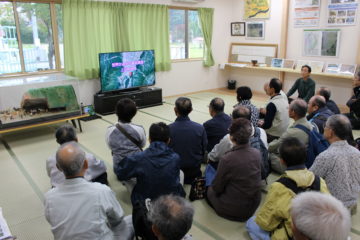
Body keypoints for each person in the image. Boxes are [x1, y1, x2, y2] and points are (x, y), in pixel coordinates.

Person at [44, 142, 133, 240]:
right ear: (86, 164)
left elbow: (52, 220)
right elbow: (117, 219)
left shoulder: (49, 197)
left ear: (58, 167)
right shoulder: (101, 191)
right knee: (131, 220)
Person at [246, 137, 329, 240]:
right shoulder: (320, 181)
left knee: (251, 222)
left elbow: (266, 223)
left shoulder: (279, 186)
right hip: (317, 234)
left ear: (282, 161)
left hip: (292, 235)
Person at [115, 122, 185, 206]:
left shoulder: (138, 158)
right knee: (180, 173)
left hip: (147, 202)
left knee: (128, 175)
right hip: (171, 201)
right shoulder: (175, 157)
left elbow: (120, 173)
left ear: (149, 139)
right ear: (169, 140)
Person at [206, 118, 262, 221]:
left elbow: (217, 188)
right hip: (252, 208)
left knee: (209, 187)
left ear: (231, 137)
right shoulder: (257, 153)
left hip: (231, 209)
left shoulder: (227, 158)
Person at [310, 114, 360, 214]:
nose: (324, 128)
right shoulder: (357, 153)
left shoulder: (326, 156)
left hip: (332, 208)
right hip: (352, 203)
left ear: (331, 131)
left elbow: (309, 180)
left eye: (325, 126)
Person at [105, 98, 146, 190]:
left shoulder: (110, 130)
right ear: (134, 113)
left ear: (116, 112)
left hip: (119, 169)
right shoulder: (139, 129)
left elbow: (110, 147)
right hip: (137, 167)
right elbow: (142, 145)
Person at [169, 97, 207, 184]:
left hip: (175, 170)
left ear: (175, 110)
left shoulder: (168, 129)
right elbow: (204, 148)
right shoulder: (200, 128)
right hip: (194, 170)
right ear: (191, 110)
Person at [268, 99, 313, 174]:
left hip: (291, 168)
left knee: (267, 154)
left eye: (289, 109)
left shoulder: (292, 132)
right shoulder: (312, 126)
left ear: (293, 112)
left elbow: (272, 147)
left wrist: (264, 147)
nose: (287, 110)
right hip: (306, 163)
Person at [258, 78, 290, 143]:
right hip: (283, 131)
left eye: (268, 87)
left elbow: (267, 125)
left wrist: (259, 124)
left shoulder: (272, 104)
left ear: (272, 89)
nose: (267, 89)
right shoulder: (284, 99)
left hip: (274, 134)